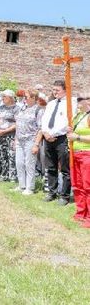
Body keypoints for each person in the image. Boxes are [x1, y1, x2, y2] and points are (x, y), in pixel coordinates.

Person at [41, 80, 76, 205]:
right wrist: (45, 133)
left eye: (57, 90)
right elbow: (44, 119)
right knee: (50, 166)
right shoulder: (51, 104)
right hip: (48, 138)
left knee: (65, 168)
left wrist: (53, 133)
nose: (54, 92)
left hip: (61, 139)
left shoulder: (71, 103)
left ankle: (65, 196)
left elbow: (67, 123)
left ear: (65, 90)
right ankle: (51, 192)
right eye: (53, 89)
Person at [66, 93, 90, 226]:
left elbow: (77, 136)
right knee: (78, 185)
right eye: (77, 99)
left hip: (87, 154)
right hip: (75, 154)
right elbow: (71, 134)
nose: (78, 101)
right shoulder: (78, 116)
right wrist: (69, 131)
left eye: (81, 99)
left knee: (88, 186)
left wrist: (77, 138)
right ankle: (81, 213)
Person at [14, 90, 43, 194]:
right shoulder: (22, 108)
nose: (24, 99)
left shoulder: (38, 110)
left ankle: (29, 187)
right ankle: (22, 185)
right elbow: (18, 124)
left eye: (26, 97)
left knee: (29, 163)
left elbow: (40, 128)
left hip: (30, 140)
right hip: (20, 139)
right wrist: (16, 139)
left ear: (34, 98)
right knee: (19, 162)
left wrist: (36, 144)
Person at [0, 90, 20, 182]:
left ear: (10, 97)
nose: (2, 98)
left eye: (4, 96)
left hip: (11, 135)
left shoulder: (17, 108)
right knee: (2, 155)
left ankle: (12, 176)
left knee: (11, 155)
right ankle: (4, 174)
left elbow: (17, 123)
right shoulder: (1, 107)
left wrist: (5, 131)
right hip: (0, 134)